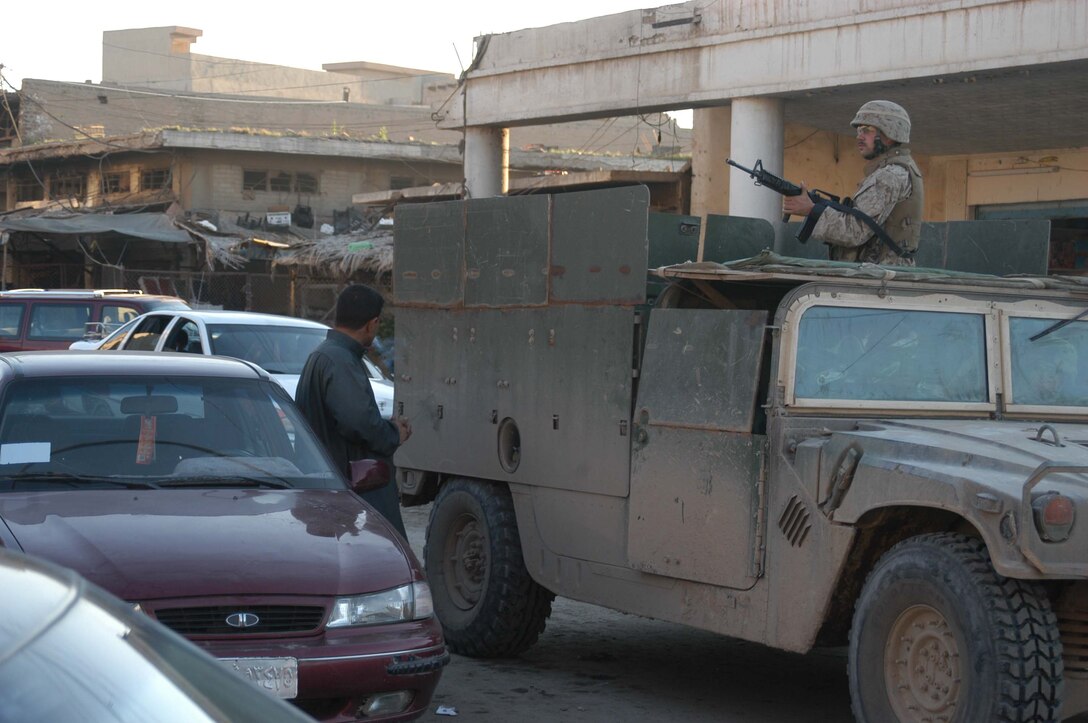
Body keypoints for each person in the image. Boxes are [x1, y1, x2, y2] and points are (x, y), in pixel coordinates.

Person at [296, 284, 412, 536]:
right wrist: (393, 433)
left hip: (329, 485)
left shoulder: (327, 354)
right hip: (344, 488)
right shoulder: (339, 360)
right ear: (372, 323)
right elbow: (359, 422)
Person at [783, 100, 924, 266]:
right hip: (881, 274)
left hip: (880, 276)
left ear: (890, 132)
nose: (859, 137)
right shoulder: (894, 170)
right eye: (859, 130)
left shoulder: (888, 176)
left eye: (867, 130)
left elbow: (855, 232)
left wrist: (811, 210)